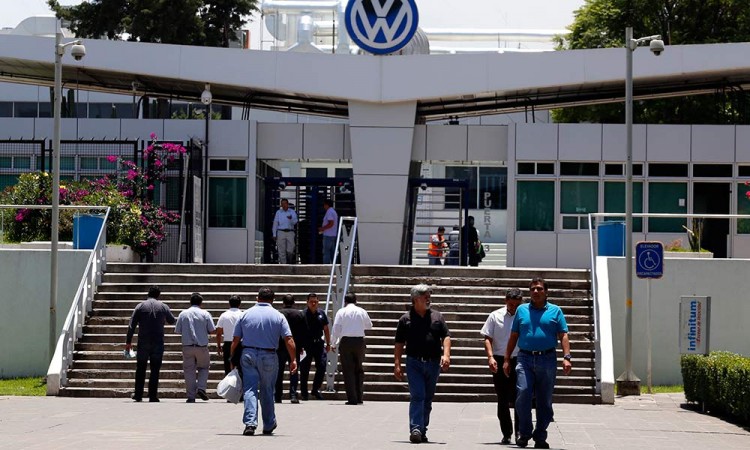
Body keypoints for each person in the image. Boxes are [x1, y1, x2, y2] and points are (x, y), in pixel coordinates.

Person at [504, 278, 572, 449]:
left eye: (539, 289)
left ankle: (540, 436)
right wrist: (506, 359)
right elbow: (514, 335)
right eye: (533, 289)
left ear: (546, 292)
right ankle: (524, 433)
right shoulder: (522, 310)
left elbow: (563, 335)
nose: (536, 291)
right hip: (525, 358)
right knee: (523, 393)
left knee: (544, 400)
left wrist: (567, 357)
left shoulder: (555, 311)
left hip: (547, 359)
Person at [231, 287, 296, 436]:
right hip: (269, 355)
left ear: (257, 298)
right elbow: (289, 339)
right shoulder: (278, 316)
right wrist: (293, 360)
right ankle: (268, 423)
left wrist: (232, 358)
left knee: (250, 389)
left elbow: (235, 340)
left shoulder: (245, 314)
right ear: (273, 300)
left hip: (248, 353)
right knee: (267, 389)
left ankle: (250, 423)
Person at [394, 284, 451, 444]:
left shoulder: (437, 317)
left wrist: (446, 355)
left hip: (433, 363)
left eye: (429, 296)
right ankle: (416, 429)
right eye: (425, 296)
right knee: (418, 395)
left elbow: (446, 336)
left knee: (427, 398)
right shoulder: (405, 319)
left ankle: (422, 429)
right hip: (414, 363)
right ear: (415, 299)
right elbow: (399, 342)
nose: (428, 299)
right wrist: (397, 364)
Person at [481, 288, 523, 445]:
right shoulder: (495, 315)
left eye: (517, 305)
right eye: (511, 304)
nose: (513, 308)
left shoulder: (524, 316)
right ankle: (506, 433)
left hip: (520, 359)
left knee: (521, 396)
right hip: (499, 358)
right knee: (502, 398)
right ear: (506, 301)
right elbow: (487, 337)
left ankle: (520, 432)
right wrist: (490, 357)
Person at [125, 285, 175, 402]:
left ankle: (138, 394)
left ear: (148, 294)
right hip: (158, 342)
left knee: (141, 368)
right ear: (159, 295)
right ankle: (153, 395)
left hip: (143, 342)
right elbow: (172, 320)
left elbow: (131, 325)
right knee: (155, 369)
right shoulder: (163, 306)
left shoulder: (140, 306)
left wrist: (128, 341)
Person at [331, 292, 373, 405]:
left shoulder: (341, 312)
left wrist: (333, 343)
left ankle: (352, 398)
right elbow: (369, 325)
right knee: (359, 369)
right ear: (356, 301)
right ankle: (359, 396)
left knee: (348, 370)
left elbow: (336, 328)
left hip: (346, 341)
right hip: (359, 341)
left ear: (345, 301)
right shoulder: (362, 311)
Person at [175, 292, 216, 403]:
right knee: (204, 367)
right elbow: (212, 330)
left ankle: (191, 396)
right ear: (201, 303)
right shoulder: (205, 314)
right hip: (202, 346)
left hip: (187, 346)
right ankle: (201, 388)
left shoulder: (183, 314)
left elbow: (178, 330)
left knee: (189, 371)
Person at [275, 294, 307, 404]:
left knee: (279, 371)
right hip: (294, 345)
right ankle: (293, 395)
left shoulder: (278, 314)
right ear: (294, 302)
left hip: (280, 345)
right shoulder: (300, 314)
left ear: (283, 302)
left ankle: (278, 395)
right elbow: (304, 331)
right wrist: (301, 346)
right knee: (294, 369)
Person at [299, 292, 330, 400]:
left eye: (315, 302)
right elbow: (298, 332)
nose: (313, 304)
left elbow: (326, 329)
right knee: (304, 369)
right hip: (306, 344)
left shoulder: (321, 313)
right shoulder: (302, 315)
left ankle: (315, 389)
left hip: (319, 344)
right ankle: (304, 393)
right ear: (307, 302)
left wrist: (328, 343)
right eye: (311, 302)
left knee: (322, 366)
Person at [216, 295, 244, 375]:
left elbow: (219, 333)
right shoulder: (243, 315)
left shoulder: (224, 315)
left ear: (229, 303)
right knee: (241, 368)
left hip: (228, 344)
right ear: (239, 304)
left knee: (228, 368)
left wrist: (219, 346)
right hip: (240, 344)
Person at [272, 198, 298, 264]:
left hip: (290, 232)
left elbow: (295, 222)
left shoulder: (292, 212)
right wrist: (274, 234)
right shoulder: (278, 212)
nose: (283, 205)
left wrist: (291, 219)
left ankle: (289, 260)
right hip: (281, 232)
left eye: (285, 203)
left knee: (291, 249)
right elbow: (275, 223)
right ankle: (284, 265)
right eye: (282, 204)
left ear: (287, 204)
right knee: (281, 250)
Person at [319, 198, 338, 264]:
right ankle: (334, 266)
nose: (323, 206)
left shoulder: (329, 212)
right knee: (332, 252)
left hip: (328, 235)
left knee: (326, 252)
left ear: (327, 205)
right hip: (332, 235)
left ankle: (326, 267)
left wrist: (323, 228)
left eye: (324, 205)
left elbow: (331, 223)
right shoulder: (333, 211)